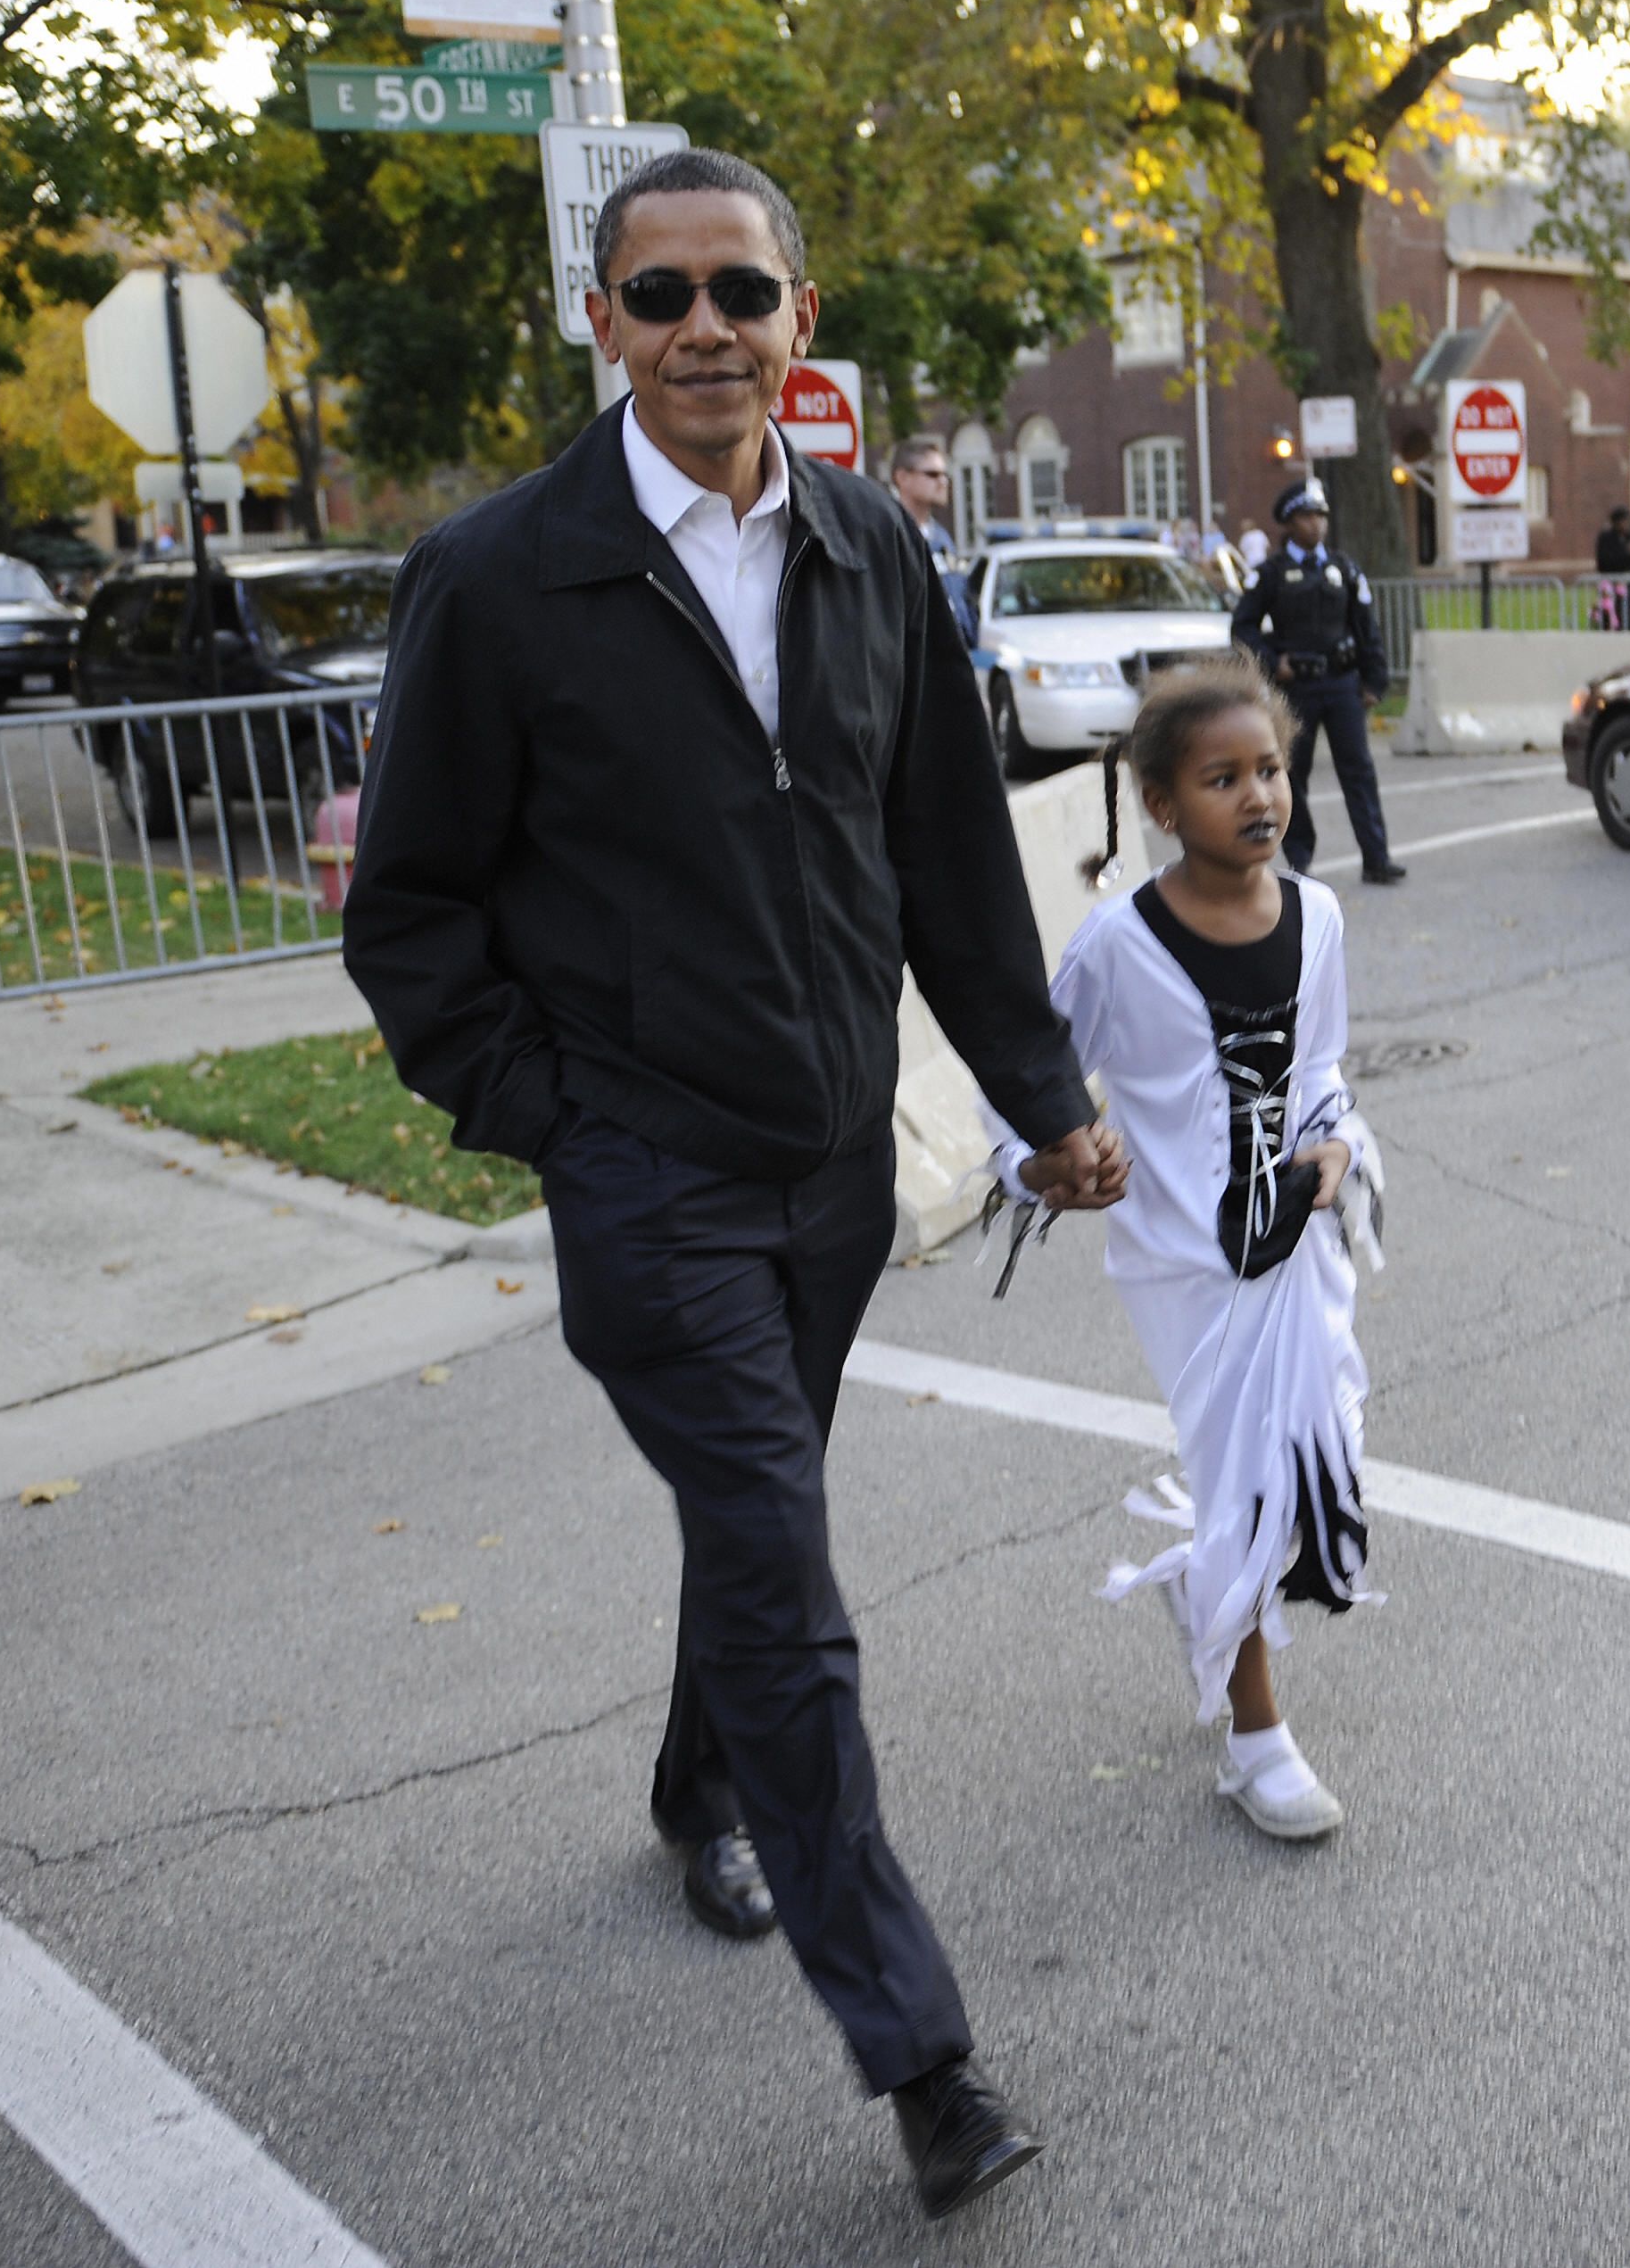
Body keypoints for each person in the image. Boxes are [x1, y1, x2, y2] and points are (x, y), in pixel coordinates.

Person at [342, 145, 1127, 2224]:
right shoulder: (502, 578)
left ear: (797, 317)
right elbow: (411, 913)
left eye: (742, 293)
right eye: (661, 293)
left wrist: (1039, 1089)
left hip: (827, 1166)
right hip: (650, 1176)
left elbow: (950, 861)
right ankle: (924, 2054)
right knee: (786, 1574)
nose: (705, 328)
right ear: (601, 322)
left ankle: (703, 1783)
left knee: (753, 1507)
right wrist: (554, 1114)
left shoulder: (870, 549)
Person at [982, 657, 1383, 1837]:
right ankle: (1254, 1741)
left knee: (1315, 1473)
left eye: (1269, 770)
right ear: (1160, 805)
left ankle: (1209, 1587)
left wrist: (1335, 1148)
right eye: (1221, 779)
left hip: (1296, 1261)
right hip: (1184, 1272)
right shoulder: (1116, 945)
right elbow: (1028, 1081)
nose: (1258, 796)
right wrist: (1047, 1159)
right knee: (1248, 1491)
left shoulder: (1318, 917)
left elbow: (1320, 1076)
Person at [1229, 477, 1401, 884]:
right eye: (1307, 517)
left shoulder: (1343, 568)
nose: (1316, 525)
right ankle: (1300, 861)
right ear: (1289, 523)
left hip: (1342, 684)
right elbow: (1243, 629)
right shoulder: (1270, 573)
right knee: (1291, 776)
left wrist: (1374, 681)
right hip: (1297, 689)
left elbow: (1366, 628)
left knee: (1358, 772)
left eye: (1320, 516)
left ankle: (1376, 858)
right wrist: (1274, 663)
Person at [889, 434, 956, 559]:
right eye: (932, 474)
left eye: (945, 474)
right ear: (902, 477)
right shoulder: (888, 535)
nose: (943, 482)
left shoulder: (942, 539)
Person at [1593, 504, 1630, 630]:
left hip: (1629, 583)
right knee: (1613, 617)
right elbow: (1604, 560)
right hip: (1612, 584)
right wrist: (1626, 552)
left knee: (1629, 615)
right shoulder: (1606, 538)